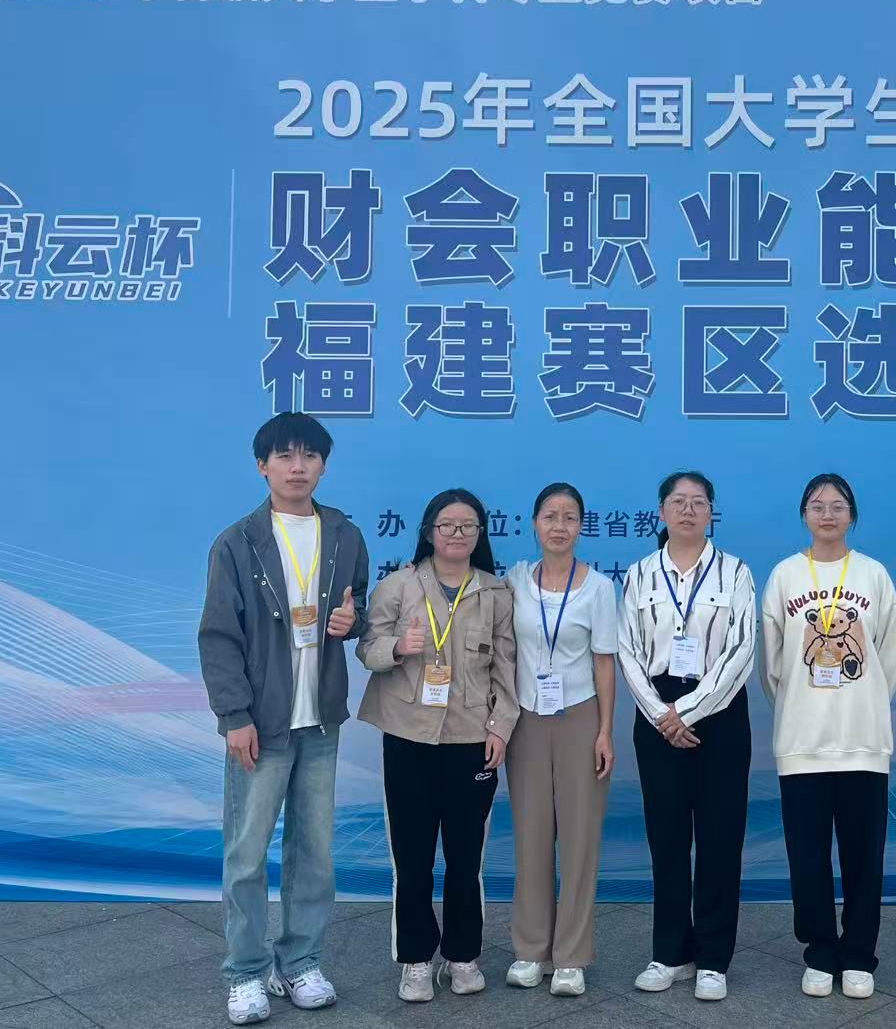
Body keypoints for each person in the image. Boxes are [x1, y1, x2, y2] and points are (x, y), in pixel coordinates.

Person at [197, 411, 369, 1026]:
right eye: (285, 456)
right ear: (262, 466)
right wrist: (234, 715)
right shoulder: (237, 543)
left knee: (314, 850)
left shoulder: (344, 535)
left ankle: (300, 962)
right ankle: (246, 971)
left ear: (324, 465)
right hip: (260, 723)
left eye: (310, 456)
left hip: (319, 720)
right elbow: (219, 637)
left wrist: (354, 622)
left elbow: (360, 607)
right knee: (247, 853)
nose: (298, 467)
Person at [356, 489, 518, 1004]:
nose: (457, 534)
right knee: (413, 857)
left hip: (472, 740)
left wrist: (501, 728)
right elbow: (366, 648)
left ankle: (464, 955)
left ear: (480, 534)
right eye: (447, 525)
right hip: (409, 737)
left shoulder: (496, 593)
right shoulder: (397, 586)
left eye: (468, 526)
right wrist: (397, 647)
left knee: (467, 859)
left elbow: (507, 670)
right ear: (429, 531)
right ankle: (416, 959)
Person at [761, 473, 896, 1001]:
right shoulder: (784, 576)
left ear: (852, 515)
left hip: (863, 739)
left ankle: (860, 955)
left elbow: (888, 657)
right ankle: (820, 952)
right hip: (802, 743)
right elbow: (772, 665)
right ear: (804, 514)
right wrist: (800, 706)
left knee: (865, 858)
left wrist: (861, 699)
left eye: (837, 505)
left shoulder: (873, 575)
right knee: (808, 856)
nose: (827, 514)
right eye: (817, 505)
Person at [618, 470, 756, 1003]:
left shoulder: (735, 572)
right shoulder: (639, 575)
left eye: (699, 502)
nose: (688, 510)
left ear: (711, 512)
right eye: (678, 501)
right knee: (667, 837)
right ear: (662, 511)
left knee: (721, 837)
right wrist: (662, 714)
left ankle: (714, 959)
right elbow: (628, 650)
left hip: (719, 712)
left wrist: (690, 711)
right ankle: (670, 953)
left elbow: (741, 650)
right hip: (658, 714)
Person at [502, 482, 618, 997]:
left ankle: (571, 956)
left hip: (580, 717)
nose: (559, 525)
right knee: (530, 836)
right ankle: (530, 949)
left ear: (581, 526)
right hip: (526, 719)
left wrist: (605, 731)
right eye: (550, 515)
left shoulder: (599, 588)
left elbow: (604, 662)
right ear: (534, 523)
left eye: (570, 517)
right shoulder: (515, 581)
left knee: (579, 838)